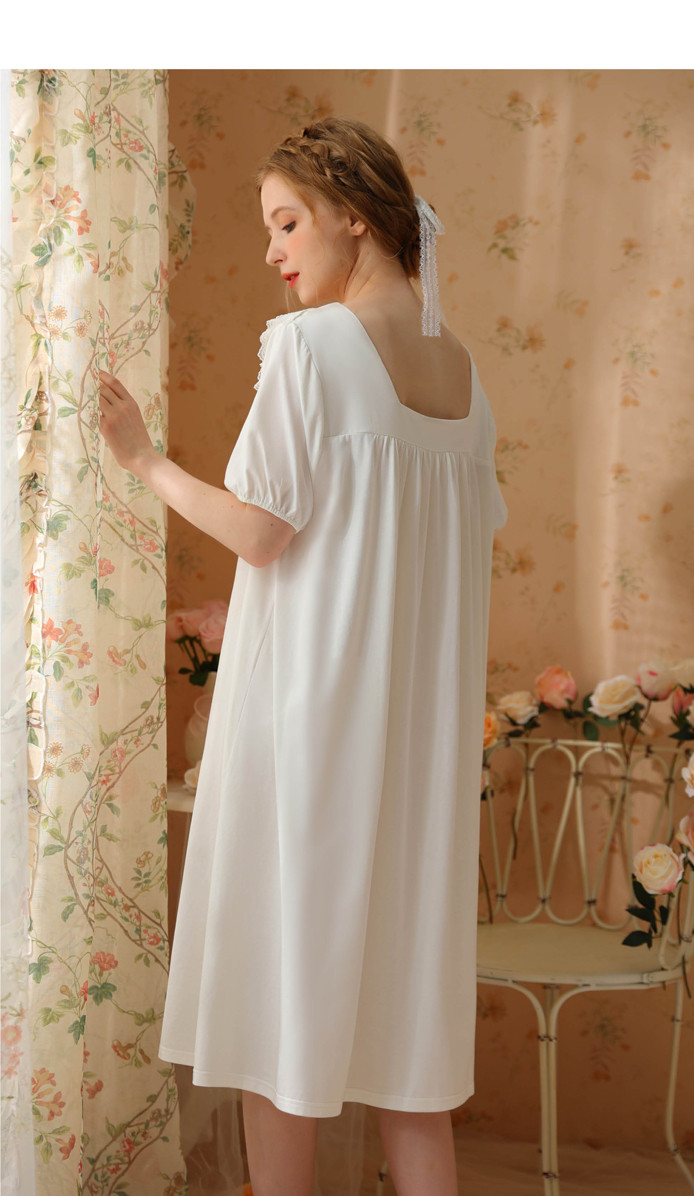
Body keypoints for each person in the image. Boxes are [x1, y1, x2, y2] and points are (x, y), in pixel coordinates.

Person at [97, 116, 508, 1196]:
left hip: (307, 735)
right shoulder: (464, 373)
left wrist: (145, 462)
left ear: (355, 216)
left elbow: (261, 531)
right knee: (408, 1064)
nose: (275, 251)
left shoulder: (310, 345)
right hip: (416, 767)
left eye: (288, 223)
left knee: (280, 1031)